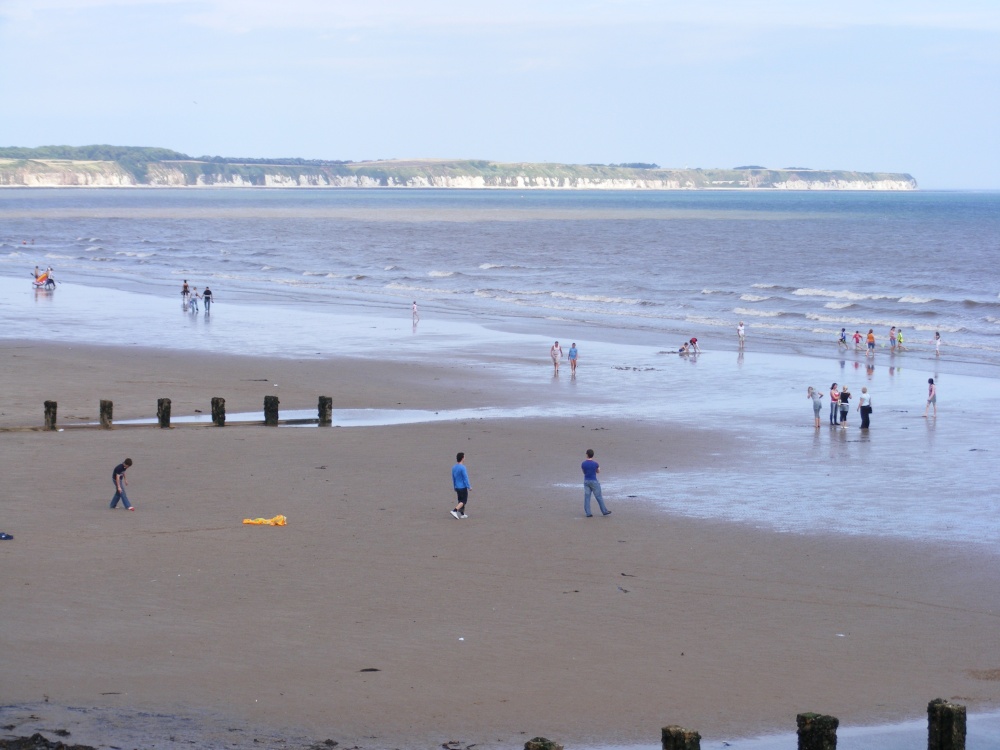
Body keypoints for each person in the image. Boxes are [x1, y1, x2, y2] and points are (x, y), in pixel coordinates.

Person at [581, 449, 610, 517]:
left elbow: (584, 472)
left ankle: (588, 513)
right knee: (598, 496)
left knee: (587, 497)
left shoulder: (583, 463)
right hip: (594, 481)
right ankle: (604, 511)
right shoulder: (595, 464)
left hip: (586, 481)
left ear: (587, 455)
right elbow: (598, 471)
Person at [450, 453, 471, 519]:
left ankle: (462, 514)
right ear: (462, 458)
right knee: (463, 501)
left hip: (457, 486)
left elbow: (453, 478)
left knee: (460, 500)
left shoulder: (454, 467)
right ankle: (454, 510)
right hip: (462, 487)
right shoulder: (462, 467)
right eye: (464, 457)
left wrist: (454, 486)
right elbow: (465, 478)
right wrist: (469, 486)